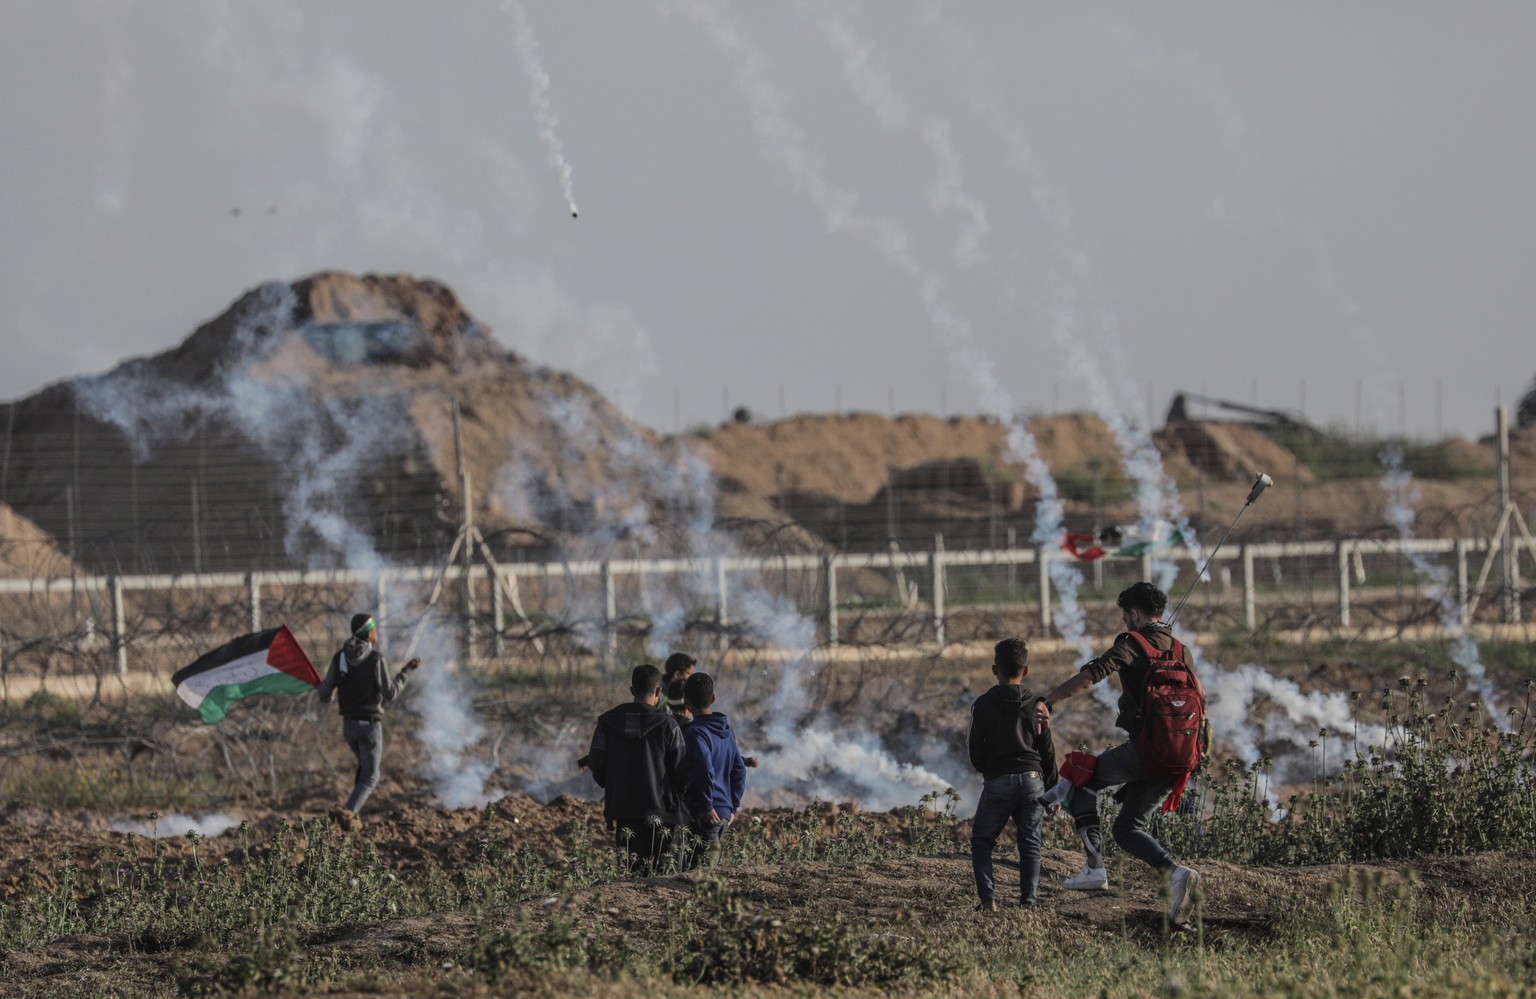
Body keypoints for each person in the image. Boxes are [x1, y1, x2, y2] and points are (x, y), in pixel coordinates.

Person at [1034, 581, 1202, 925]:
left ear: (1135, 614)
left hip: (1145, 751)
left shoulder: (1132, 644)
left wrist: (1048, 701)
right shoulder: (1182, 650)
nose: (1125, 622)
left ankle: (1095, 868)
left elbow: (1091, 675)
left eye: (1126, 616)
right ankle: (1175, 873)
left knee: (1079, 777)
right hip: (1180, 757)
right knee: (1127, 828)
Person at [968, 637, 1058, 911]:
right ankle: (1028, 904)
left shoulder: (982, 705)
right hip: (1033, 781)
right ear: (1026, 670)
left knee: (982, 841)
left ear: (995, 670)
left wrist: (991, 771)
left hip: (998, 781)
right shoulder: (1037, 705)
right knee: (1030, 843)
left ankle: (989, 902)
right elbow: (1048, 751)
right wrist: (1052, 790)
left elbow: (975, 753)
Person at [316, 613, 421, 826]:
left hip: (349, 727)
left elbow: (325, 693)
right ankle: (346, 816)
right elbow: (390, 693)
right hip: (370, 727)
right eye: (374, 630)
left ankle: (350, 816)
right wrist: (406, 672)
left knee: (364, 771)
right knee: (371, 777)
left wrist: (328, 693)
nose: (377, 633)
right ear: (369, 634)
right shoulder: (375, 659)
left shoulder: (340, 658)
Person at [588, 664, 690, 873]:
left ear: (632, 690)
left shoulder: (607, 723)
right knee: (665, 879)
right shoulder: (668, 724)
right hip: (665, 815)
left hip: (625, 812)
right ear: (659, 691)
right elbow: (682, 770)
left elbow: (596, 763)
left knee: (631, 878)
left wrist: (614, 788)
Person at [679, 672, 747, 869]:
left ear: (686, 703)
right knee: (708, 868)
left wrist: (706, 806)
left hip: (705, 814)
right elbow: (740, 769)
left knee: (697, 873)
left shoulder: (695, 733)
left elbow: (704, 770)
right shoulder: (727, 731)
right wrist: (733, 806)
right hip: (723, 813)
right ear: (713, 698)